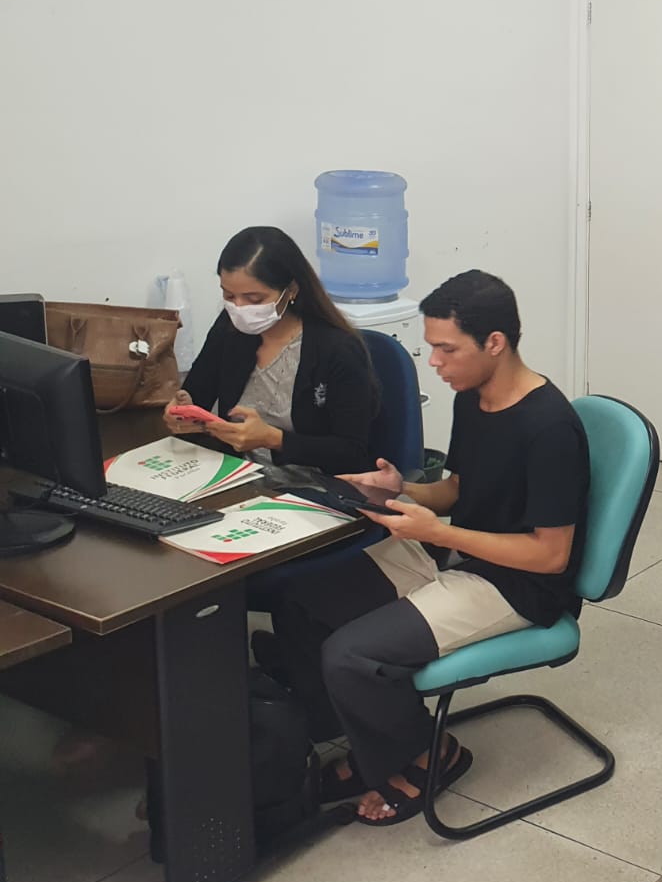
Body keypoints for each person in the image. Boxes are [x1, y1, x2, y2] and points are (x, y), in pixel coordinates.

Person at [267, 270, 590, 827]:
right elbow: (459, 490)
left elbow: (550, 556)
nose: (435, 362)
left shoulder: (549, 428)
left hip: (519, 587)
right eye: (432, 347)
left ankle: (430, 754)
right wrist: (401, 491)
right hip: (463, 559)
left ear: (495, 342)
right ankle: (368, 740)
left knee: (349, 654)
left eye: (447, 349)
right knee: (300, 596)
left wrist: (437, 534)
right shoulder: (474, 398)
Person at [162, 226, 376, 473]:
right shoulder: (230, 328)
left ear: (291, 290)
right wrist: (182, 412)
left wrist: (274, 439)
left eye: (254, 299)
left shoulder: (337, 349)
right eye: (229, 296)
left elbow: (351, 451)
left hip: (313, 485)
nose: (239, 308)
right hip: (239, 474)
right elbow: (196, 394)